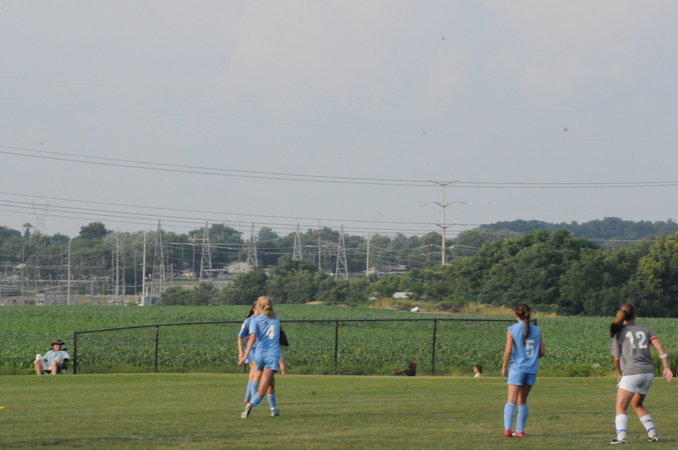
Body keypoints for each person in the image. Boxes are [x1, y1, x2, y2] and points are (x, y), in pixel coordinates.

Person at [609, 304, 673, 444]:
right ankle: (652, 434)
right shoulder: (645, 330)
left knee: (620, 407)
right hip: (648, 373)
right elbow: (660, 348)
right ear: (635, 315)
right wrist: (666, 367)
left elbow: (617, 359)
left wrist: (620, 373)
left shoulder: (618, 332)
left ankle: (621, 438)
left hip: (631, 373)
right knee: (637, 404)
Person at [501, 303, 545, 438]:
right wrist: (531, 359)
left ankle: (508, 429)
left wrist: (504, 366)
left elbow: (508, 351)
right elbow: (542, 351)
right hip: (531, 369)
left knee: (511, 399)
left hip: (517, 368)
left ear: (516, 314)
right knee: (522, 400)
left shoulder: (512, 329)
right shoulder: (537, 330)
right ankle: (520, 430)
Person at [239, 296, 282, 418]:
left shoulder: (255, 320)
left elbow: (252, 338)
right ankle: (251, 404)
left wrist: (244, 356)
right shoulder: (276, 319)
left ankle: (274, 409)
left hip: (259, 354)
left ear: (259, 305)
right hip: (271, 355)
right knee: (263, 387)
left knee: (271, 382)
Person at [237, 304, 261, 405]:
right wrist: (241, 352)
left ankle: (247, 398)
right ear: (254, 309)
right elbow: (240, 337)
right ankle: (254, 399)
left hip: (260, 349)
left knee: (252, 374)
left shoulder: (263, 320)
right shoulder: (248, 321)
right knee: (257, 371)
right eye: (260, 307)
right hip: (251, 350)